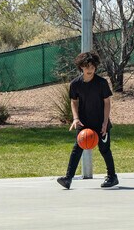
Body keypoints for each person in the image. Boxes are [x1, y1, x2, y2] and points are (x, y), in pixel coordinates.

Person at [57, 51, 118, 189]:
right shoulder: (75, 84)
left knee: (104, 149)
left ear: (96, 67)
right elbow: (74, 101)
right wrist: (75, 118)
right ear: (81, 67)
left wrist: (105, 122)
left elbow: (107, 102)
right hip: (83, 122)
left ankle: (112, 176)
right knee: (77, 148)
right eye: (86, 66)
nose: (90, 69)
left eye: (92, 66)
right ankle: (68, 178)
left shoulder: (101, 83)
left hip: (100, 121)